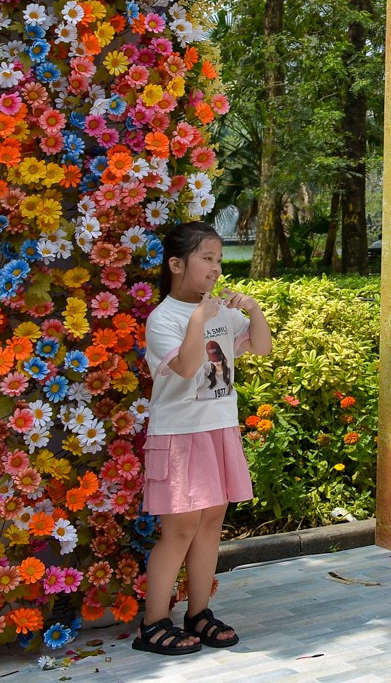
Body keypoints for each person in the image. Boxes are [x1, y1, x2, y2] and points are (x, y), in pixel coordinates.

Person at [137, 221, 271, 656]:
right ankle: (153, 624)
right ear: (177, 265)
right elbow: (187, 366)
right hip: (179, 435)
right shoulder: (164, 319)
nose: (216, 268)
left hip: (218, 429)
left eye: (219, 259)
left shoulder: (221, 312)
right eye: (207, 258)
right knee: (179, 530)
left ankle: (198, 614)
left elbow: (262, 347)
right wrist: (199, 318)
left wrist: (253, 310)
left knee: (211, 523)